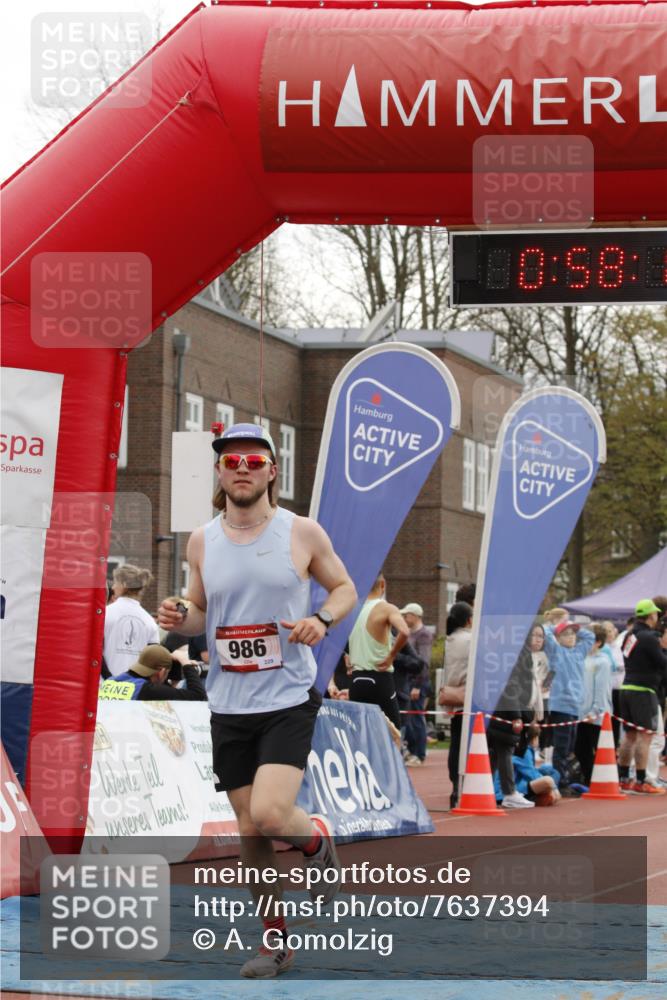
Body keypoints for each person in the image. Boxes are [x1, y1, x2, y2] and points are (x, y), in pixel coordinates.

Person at [158, 422, 357, 979]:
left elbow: (344, 588)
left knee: (271, 816)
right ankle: (274, 942)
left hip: (287, 695)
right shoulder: (202, 539)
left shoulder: (302, 532)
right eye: (231, 461)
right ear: (220, 473)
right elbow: (200, 612)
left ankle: (316, 842)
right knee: (250, 830)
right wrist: (180, 617)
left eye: (253, 461)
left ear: (272, 471)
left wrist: (321, 619)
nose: (241, 469)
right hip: (228, 701)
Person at [347, 573, 409, 731]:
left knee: (360, 733)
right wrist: (391, 656)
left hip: (356, 680)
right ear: (383, 585)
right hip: (379, 679)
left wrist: (349, 655)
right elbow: (404, 631)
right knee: (392, 733)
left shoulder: (353, 610)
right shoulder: (386, 608)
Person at [618, 599, 667, 795]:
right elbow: (663, 663)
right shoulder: (649, 637)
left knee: (629, 735)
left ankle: (623, 778)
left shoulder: (629, 636)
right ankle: (641, 780)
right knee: (645, 736)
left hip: (626, 687)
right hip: (644, 690)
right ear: (652, 616)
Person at [543, 619, 595, 794]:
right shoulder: (556, 652)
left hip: (575, 707)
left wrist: (573, 626)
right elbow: (546, 632)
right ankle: (560, 781)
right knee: (562, 746)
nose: (571, 637)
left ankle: (565, 777)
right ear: (558, 637)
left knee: (570, 745)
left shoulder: (579, 652)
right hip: (560, 705)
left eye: (573, 633)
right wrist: (557, 626)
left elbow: (590, 636)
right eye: (566, 634)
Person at [487, 631, 537, 809]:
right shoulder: (516, 652)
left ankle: (487, 789)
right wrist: (516, 715)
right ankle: (509, 793)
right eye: (534, 635)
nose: (537, 640)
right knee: (504, 749)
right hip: (507, 710)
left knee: (495, 752)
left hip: (502, 708)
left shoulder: (509, 650)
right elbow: (511, 684)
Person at [438, 601, 473, 809]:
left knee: (455, 744)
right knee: (466, 746)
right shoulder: (471, 639)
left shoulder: (450, 640)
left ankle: (455, 787)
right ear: (469, 620)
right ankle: (462, 786)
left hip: (453, 697)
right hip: (467, 696)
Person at [574, 623, 613, 785]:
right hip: (579, 713)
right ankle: (588, 778)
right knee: (580, 748)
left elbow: (601, 690)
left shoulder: (602, 662)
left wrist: (594, 711)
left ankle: (600, 779)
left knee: (598, 748)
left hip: (595, 715)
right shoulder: (580, 658)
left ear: (598, 642)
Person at [103, 564, 159, 676]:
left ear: (124, 584)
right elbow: (153, 658)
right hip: (135, 687)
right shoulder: (149, 621)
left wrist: (110, 679)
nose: (113, 587)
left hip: (105, 686)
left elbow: (94, 652)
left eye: (115, 582)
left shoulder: (105, 614)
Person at [98, 644, 207, 701]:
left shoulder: (110, 681)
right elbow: (197, 695)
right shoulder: (146, 690)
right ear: (162, 672)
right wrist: (185, 663)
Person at [399, 602, 434, 765]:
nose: (404, 618)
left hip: (418, 683)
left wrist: (418, 685)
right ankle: (412, 750)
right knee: (409, 718)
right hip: (408, 681)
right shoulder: (410, 634)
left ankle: (419, 753)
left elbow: (424, 661)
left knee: (416, 718)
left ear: (415, 616)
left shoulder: (423, 635)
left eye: (406, 615)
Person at [494, 724, 561, 807]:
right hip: (504, 793)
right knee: (548, 781)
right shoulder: (524, 751)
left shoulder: (521, 747)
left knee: (551, 771)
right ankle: (536, 798)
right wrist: (553, 788)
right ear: (534, 738)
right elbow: (531, 774)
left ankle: (539, 796)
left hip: (516, 785)